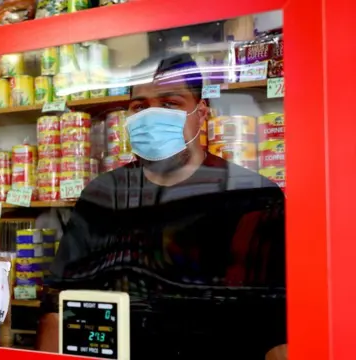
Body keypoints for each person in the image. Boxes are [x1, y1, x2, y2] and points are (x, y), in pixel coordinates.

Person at [36, 53, 286, 360]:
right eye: (140, 107)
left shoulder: (253, 195)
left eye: (170, 104)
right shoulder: (101, 195)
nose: (152, 116)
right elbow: (58, 303)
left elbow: (278, 323)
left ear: (201, 111)